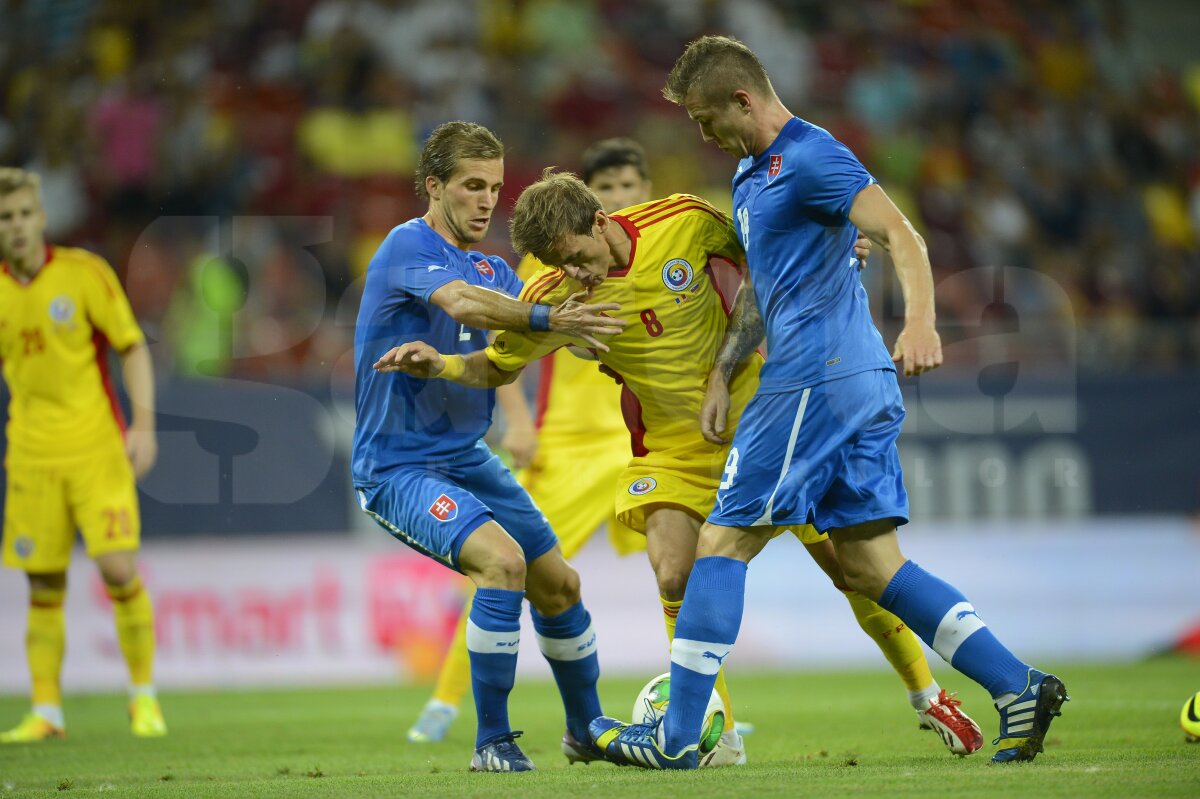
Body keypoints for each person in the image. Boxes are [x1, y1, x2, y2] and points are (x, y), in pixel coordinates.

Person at [375, 171, 983, 764]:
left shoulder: (684, 222)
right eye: (560, 267)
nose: (575, 275)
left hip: (767, 428)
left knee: (854, 571)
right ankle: (715, 731)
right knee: (672, 573)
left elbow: (769, 250)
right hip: (669, 450)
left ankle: (927, 694)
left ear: (599, 221)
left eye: (577, 257)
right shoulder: (554, 297)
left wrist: (833, 240)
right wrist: (444, 367)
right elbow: (495, 367)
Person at [587, 35, 1068, 768]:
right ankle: (1018, 684)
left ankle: (678, 737)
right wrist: (723, 367)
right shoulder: (752, 179)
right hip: (850, 384)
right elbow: (761, 289)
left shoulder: (813, 156)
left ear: (743, 99)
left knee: (722, 541)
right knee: (872, 565)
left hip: (814, 379)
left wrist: (920, 319)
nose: (703, 134)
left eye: (706, 118)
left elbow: (898, 231)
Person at [351, 121, 624, 772]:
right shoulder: (404, 245)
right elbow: (466, 306)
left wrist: (574, 316)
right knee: (502, 564)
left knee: (559, 583)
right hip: (397, 466)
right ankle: (493, 742)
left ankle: (586, 729)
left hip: (468, 457)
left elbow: (509, 350)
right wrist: (546, 319)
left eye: (494, 188)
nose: (484, 200)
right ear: (434, 186)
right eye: (471, 185)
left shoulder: (498, 268)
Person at [405, 138, 651, 745]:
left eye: (628, 186)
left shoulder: (662, 251)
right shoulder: (552, 270)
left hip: (643, 439)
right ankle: (445, 702)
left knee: (682, 570)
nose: (620, 196)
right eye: (608, 186)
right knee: (515, 570)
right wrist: (517, 421)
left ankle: (705, 704)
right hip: (567, 447)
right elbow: (501, 354)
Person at [0, 168, 166, 742]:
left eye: (24, 214)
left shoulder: (83, 274)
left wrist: (143, 423)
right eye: (5, 218)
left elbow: (130, 346)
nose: (17, 226)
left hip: (96, 448)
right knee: (42, 584)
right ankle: (46, 711)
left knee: (118, 569)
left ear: (41, 218)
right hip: (29, 454)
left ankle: (143, 698)